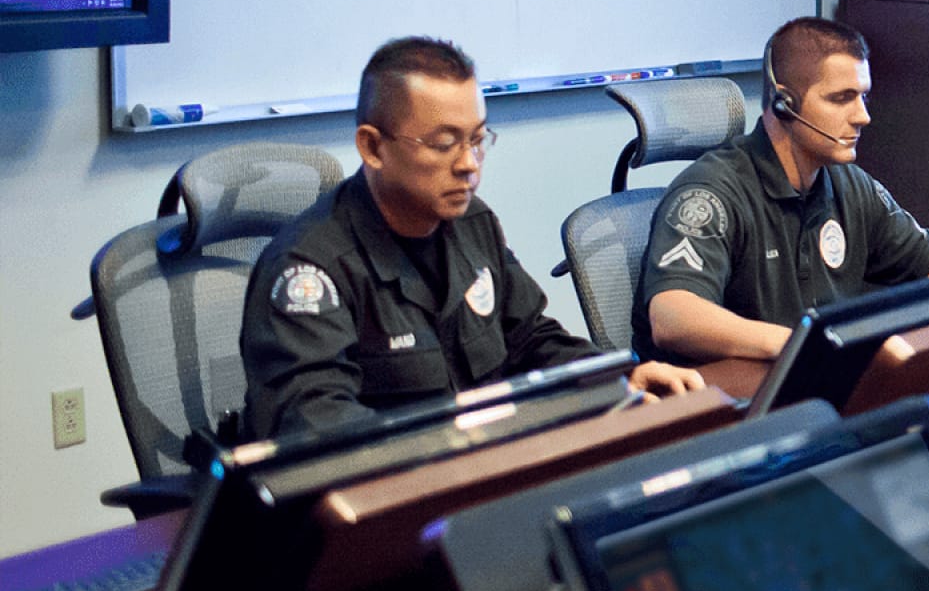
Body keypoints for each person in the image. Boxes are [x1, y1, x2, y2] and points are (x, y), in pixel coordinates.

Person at [241, 38, 701, 440]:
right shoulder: (310, 268)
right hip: (386, 505)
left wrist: (622, 377)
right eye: (444, 144)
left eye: (477, 139)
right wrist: (458, 446)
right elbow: (318, 429)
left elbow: (528, 340)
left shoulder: (472, 223)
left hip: (483, 474)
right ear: (373, 147)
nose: (469, 164)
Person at [634, 17, 929, 364]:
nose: (863, 116)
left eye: (863, 96)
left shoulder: (848, 183)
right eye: (841, 98)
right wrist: (804, 347)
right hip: (734, 407)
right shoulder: (710, 193)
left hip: (817, 386)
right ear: (784, 104)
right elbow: (674, 317)